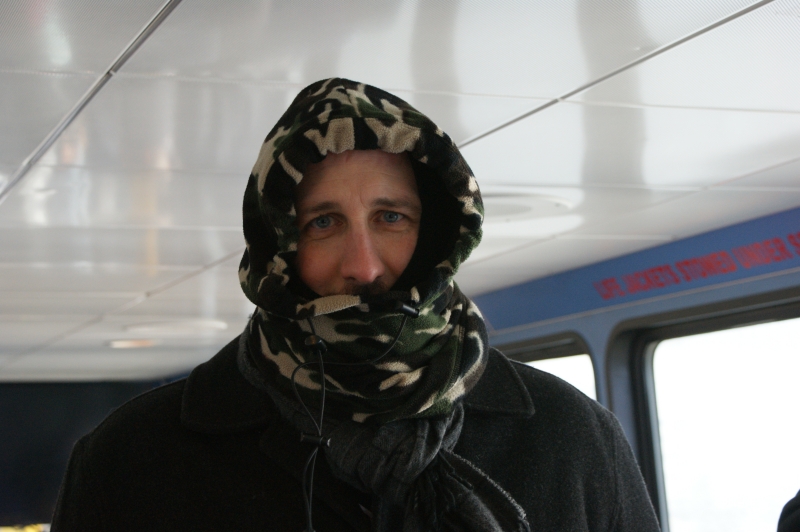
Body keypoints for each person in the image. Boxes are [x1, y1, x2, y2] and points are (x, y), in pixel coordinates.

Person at [51, 78, 660, 531]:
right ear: (277, 248)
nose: (363, 266)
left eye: (391, 217)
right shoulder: (132, 457)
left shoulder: (573, 438)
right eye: (322, 223)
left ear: (438, 235)